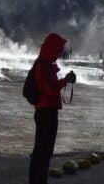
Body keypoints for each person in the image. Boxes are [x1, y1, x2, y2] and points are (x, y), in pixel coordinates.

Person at [30, 33, 77, 184]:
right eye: (58, 49)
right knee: (44, 152)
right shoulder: (46, 66)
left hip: (42, 111)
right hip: (47, 112)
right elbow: (50, 89)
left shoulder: (42, 63)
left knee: (39, 151)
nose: (59, 53)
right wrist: (66, 80)